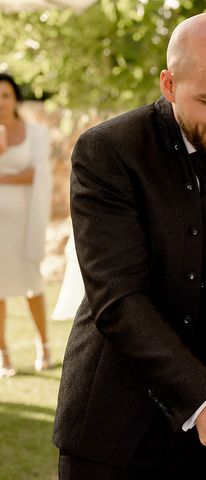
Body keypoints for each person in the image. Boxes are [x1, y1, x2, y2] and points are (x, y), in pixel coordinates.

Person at [53, 14, 206, 479]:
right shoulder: (108, 151)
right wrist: (202, 398)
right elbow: (117, 299)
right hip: (114, 430)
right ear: (170, 84)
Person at [0, 72, 52, 378]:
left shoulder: (35, 133)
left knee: (33, 286)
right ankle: (3, 353)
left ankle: (44, 344)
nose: (1, 102)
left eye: (5, 95)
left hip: (24, 225)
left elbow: (38, 174)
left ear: (15, 98)